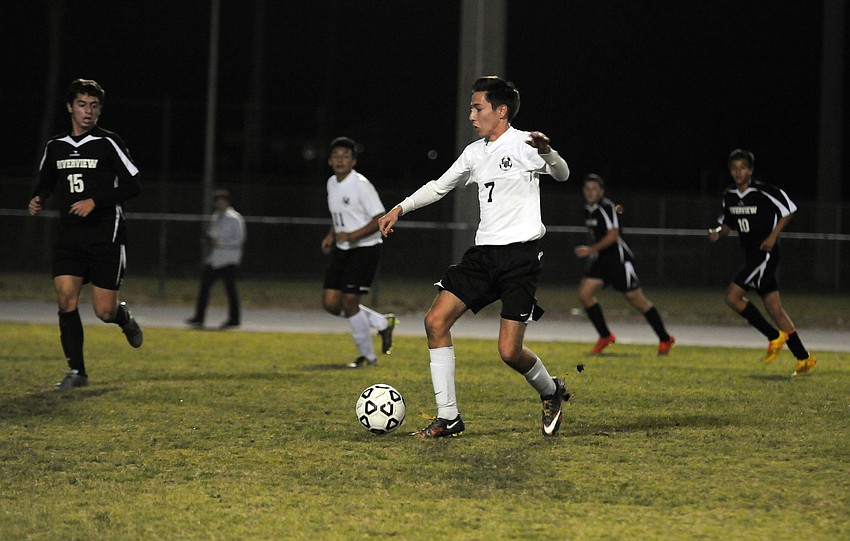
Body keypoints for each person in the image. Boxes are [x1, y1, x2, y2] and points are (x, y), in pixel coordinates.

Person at [378, 76, 571, 438]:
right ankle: (448, 417)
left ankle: (551, 391)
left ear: (501, 111)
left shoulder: (525, 143)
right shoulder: (474, 153)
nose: (471, 115)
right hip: (483, 256)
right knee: (435, 322)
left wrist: (548, 152)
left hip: (520, 259)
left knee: (509, 353)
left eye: (477, 107)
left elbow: (562, 174)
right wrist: (399, 209)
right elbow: (439, 186)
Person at [27, 78, 143, 390]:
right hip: (70, 236)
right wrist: (39, 196)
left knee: (104, 311)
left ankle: (123, 318)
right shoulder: (56, 146)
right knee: (66, 299)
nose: (87, 111)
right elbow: (47, 180)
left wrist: (96, 201)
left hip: (106, 235)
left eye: (93, 106)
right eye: (81, 104)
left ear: (100, 111)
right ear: (69, 107)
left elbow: (134, 185)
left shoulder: (108, 143)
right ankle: (77, 373)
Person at [708, 149, 816, 376]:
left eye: (743, 167)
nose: (739, 172)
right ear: (730, 171)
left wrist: (772, 236)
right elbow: (727, 224)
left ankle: (774, 336)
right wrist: (718, 231)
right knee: (774, 309)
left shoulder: (764, 191)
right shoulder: (729, 195)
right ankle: (804, 359)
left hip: (764, 254)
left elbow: (790, 209)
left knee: (732, 297)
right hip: (751, 255)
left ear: (751, 170)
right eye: (734, 168)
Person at [574, 174, 675, 356]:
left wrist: (590, 250)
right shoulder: (587, 210)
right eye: (587, 189)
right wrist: (594, 252)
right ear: (583, 191)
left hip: (618, 260)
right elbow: (598, 235)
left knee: (637, 300)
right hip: (602, 260)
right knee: (585, 294)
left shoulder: (606, 207)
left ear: (601, 191)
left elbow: (613, 236)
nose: (590, 192)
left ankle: (665, 338)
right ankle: (605, 336)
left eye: (594, 188)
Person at [321, 136, 397, 368]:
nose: (340, 160)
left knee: (350, 303)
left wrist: (353, 236)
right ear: (329, 161)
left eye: (345, 156)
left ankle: (368, 357)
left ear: (353, 161)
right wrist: (331, 235)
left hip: (365, 249)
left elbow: (379, 218)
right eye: (336, 156)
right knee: (331, 303)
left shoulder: (361, 185)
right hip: (343, 250)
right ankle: (381, 323)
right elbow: (340, 216)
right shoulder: (331, 183)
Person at [186, 189, 246, 329]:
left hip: (229, 259)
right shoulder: (216, 217)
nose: (220, 204)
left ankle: (234, 319)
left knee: (230, 290)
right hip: (215, 259)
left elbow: (239, 239)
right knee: (204, 287)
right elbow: (211, 234)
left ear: (227, 202)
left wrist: (221, 243)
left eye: (222, 201)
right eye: (217, 201)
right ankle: (199, 318)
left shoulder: (235, 218)